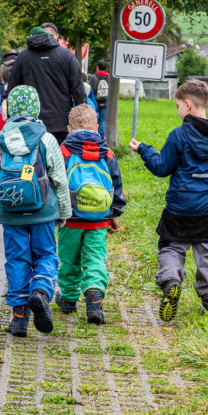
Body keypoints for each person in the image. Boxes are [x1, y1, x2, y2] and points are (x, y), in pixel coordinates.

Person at [129, 79, 208, 320]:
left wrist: (144, 149)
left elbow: (162, 167)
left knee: (171, 246)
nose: (177, 111)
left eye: (177, 106)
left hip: (179, 208)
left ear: (187, 104)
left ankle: (172, 280)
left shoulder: (178, 135)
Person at [0, 86, 71, 337]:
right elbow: (60, 180)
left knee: (17, 260)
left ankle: (19, 319)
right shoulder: (46, 138)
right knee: (46, 254)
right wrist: (63, 212)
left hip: (11, 210)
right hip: (43, 211)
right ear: (36, 108)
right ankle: (40, 291)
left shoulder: (0, 140)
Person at [56, 104, 125, 324]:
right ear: (96, 126)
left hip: (71, 219)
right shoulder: (108, 153)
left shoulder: (63, 151)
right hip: (99, 219)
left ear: (69, 128)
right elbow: (116, 186)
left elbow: (56, 183)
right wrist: (114, 215)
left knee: (68, 259)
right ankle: (94, 297)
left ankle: (68, 299)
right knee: (95, 258)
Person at [7, 26, 85, 144]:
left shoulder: (23, 57)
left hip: (30, 124)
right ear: (54, 37)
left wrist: (11, 118)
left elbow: (13, 91)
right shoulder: (66, 55)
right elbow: (78, 89)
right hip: (60, 122)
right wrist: (81, 119)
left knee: (33, 160)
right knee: (59, 160)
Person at [88, 60, 111, 135]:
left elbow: (89, 89)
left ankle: (94, 136)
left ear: (97, 67)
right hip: (105, 102)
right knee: (102, 121)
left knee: (94, 120)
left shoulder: (93, 77)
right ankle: (101, 137)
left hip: (95, 102)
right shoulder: (109, 78)